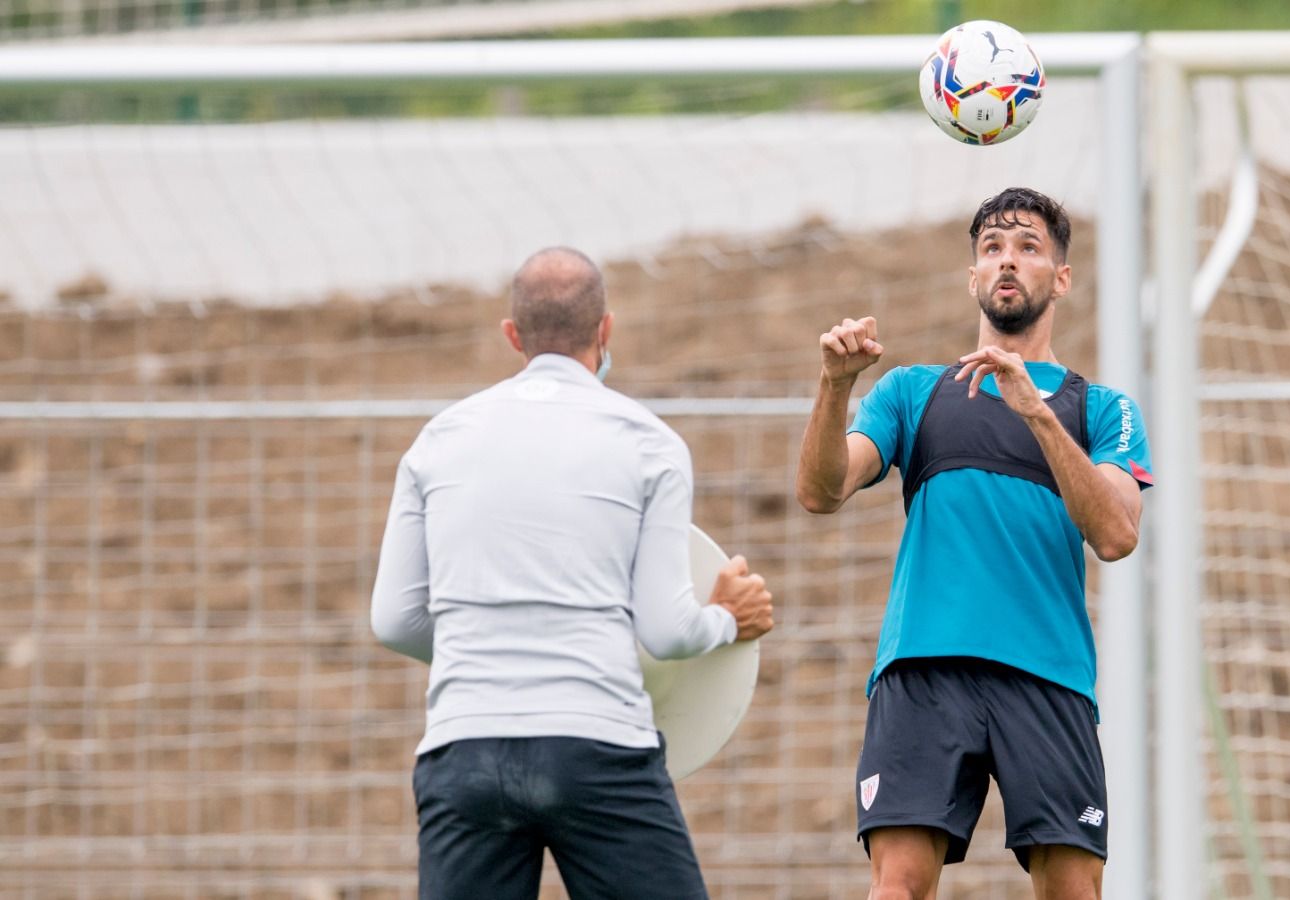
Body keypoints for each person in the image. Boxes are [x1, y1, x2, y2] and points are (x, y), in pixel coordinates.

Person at [371, 246, 775, 900]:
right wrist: (728, 619)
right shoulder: (650, 442)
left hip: (465, 748)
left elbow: (393, 620)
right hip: (597, 746)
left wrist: (491, 648)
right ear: (605, 330)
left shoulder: (436, 440)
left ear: (513, 336)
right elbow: (669, 631)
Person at [795, 187, 1154, 900]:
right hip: (925, 668)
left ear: (1062, 277)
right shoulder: (911, 392)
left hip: (1047, 674)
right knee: (897, 886)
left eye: (1028, 247)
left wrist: (1038, 416)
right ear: (973, 277)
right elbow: (820, 491)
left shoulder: (1103, 408)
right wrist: (836, 387)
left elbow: (1115, 535)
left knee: (1073, 890)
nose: (1008, 261)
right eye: (992, 248)